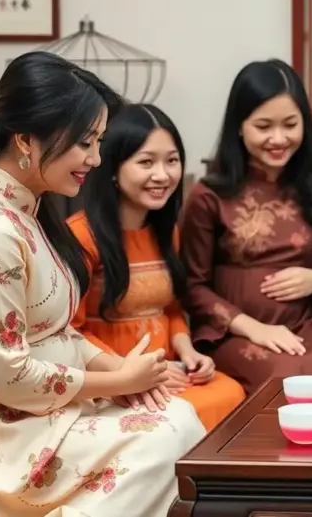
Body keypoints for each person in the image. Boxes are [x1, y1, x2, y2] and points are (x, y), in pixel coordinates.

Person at [0, 52, 205, 517]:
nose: (95, 159)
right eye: (85, 143)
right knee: (163, 443)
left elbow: (57, 331)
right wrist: (114, 380)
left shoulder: (25, 212)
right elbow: (10, 376)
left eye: (97, 142)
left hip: (30, 403)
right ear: (25, 140)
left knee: (178, 420)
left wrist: (120, 374)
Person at [180, 59, 312, 393]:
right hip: (236, 332)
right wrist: (253, 328)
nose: (279, 138)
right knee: (285, 380)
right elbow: (193, 287)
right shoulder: (209, 196)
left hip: (309, 324)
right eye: (263, 126)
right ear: (239, 126)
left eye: (290, 124)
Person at [67, 103, 247, 431]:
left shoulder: (166, 231)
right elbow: (71, 332)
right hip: (112, 381)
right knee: (178, 420)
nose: (163, 175)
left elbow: (173, 309)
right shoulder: (80, 236)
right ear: (112, 168)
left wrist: (188, 352)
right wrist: (128, 374)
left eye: (172, 160)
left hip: (168, 372)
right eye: (146, 162)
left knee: (231, 394)